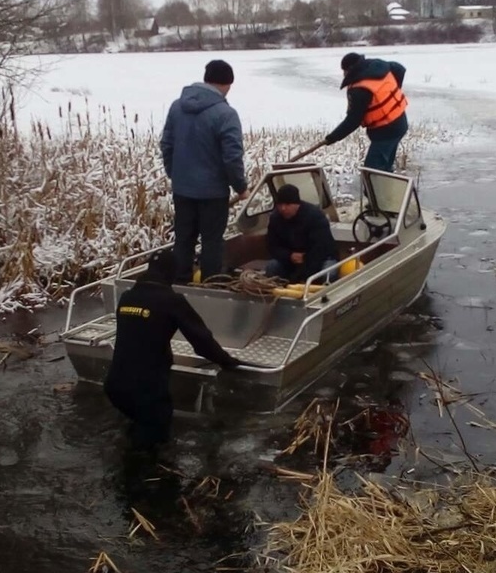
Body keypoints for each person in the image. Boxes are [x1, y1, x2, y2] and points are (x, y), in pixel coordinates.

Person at [104, 249, 240, 451]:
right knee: (151, 452)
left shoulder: (126, 298)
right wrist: (227, 361)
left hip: (115, 387)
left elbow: (140, 333)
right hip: (147, 393)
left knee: (135, 435)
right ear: (171, 273)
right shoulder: (172, 301)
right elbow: (202, 342)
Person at [160, 59, 249, 282]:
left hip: (182, 190)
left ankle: (180, 284)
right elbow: (232, 157)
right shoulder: (226, 114)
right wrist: (241, 187)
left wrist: (176, 176)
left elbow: (167, 145)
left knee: (184, 239)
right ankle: (210, 287)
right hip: (213, 193)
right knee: (212, 241)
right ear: (227, 84)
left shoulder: (176, 106)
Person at [323, 52, 409, 172]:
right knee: (384, 166)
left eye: (344, 70)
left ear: (350, 69)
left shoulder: (360, 90)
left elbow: (353, 120)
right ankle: (388, 185)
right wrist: (392, 93)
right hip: (400, 122)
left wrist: (332, 138)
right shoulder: (378, 66)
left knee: (372, 170)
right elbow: (399, 69)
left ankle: (380, 189)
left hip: (386, 131)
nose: (343, 74)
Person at [264, 184, 339, 283]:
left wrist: (303, 272)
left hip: (319, 258)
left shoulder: (315, 216)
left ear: (297, 204)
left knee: (329, 273)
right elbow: (272, 246)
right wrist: (289, 256)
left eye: (287, 204)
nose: (283, 209)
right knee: (272, 267)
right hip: (291, 260)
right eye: (280, 205)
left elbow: (321, 248)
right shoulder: (275, 219)